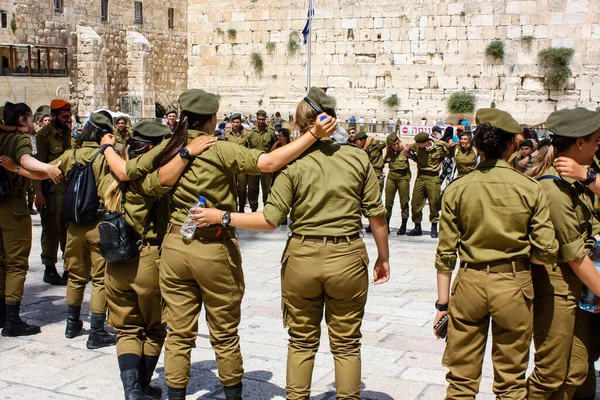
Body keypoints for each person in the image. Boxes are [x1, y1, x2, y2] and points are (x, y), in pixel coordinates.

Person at [189, 87, 390, 400]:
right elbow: (377, 217)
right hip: (348, 257)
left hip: (302, 259)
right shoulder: (358, 157)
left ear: (300, 122)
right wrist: (383, 257)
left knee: (301, 341)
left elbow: (269, 219)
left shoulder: (292, 164)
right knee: (347, 343)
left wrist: (222, 216)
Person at [151, 88, 337, 400]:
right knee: (223, 332)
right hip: (212, 247)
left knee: (179, 333)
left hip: (174, 246)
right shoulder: (218, 149)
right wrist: (313, 135)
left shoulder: (168, 148)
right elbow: (268, 163)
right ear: (212, 120)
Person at [433, 108, 559, 399]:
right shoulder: (529, 188)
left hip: (470, 283)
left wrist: (442, 305)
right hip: (513, 283)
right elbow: (547, 251)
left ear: (477, 145)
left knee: (461, 382)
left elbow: (445, 255)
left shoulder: (457, 189)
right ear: (512, 144)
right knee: (511, 382)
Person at [100, 120, 207, 400]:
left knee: (126, 329)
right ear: (152, 149)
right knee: (155, 327)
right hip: (146, 259)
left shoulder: (108, 175)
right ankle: (143, 386)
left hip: (115, 260)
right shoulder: (147, 182)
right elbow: (165, 183)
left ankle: (132, 389)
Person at [525, 108, 600, 399]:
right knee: (551, 374)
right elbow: (574, 256)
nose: (598, 145)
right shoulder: (555, 189)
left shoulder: (578, 182)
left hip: (580, 286)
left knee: (577, 370)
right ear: (580, 143)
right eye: (596, 140)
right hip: (558, 287)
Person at [0, 102, 63, 336]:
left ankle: (2, 313)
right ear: (21, 120)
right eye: (29, 118)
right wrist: (48, 168)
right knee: (16, 263)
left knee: (1, 261)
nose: (32, 123)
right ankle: (13, 320)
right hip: (14, 206)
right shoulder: (20, 140)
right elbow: (26, 162)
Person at [33, 99, 72, 285]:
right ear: (54, 116)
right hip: (50, 191)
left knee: (68, 228)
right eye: (64, 117)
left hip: (67, 188)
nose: (68, 120)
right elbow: (36, 168)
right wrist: (37, 194)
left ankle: (69, 267)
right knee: (51, 229)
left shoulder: (67, 133)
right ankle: (49, 268)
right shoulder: (42, 137)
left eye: (69, 116)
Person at [407, 132, 449, 238]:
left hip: (433, 177)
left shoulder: (439, 146)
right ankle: (417, 227)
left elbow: (450, 152)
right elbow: (407, 148)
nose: (417, 146)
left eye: (419, 144)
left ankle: (434, 227)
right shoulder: (416, 146)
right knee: (416, 203)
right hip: (420, 177)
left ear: (426, 142)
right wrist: (412, 157)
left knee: (434, 203)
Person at [246, 109, 277, 212]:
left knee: (266, 188)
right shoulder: (252, 133)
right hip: (254, 164)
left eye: (263, 119)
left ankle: (266, 209)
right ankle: (253, 209)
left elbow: (275, 145)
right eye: (259, 119)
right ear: (256, 119)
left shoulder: (271, 132)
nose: (261, 121)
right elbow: (249, 147)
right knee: (252, 188)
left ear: (266, 119)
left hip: (267, 165)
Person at [383, 132, 411, 234]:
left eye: (396, 144)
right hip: (391, 176)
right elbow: (385, 161)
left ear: (399, 141)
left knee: (404, 202)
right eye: (392, 145)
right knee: (388, 202)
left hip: (403, 177)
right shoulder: (390, 151)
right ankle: (386, 225)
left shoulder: (406, 150)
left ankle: (403, 226)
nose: (395, 146)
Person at [224, 113, 249, 212]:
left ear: (241, 122)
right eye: (233, 122)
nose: (235, 124)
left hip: (242, 165)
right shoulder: (227, 134)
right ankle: (233, 208)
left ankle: (242, 208)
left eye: (237, 122)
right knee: (231, 188)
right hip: (230, 164)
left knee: (242, 189)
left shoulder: (247, 134)